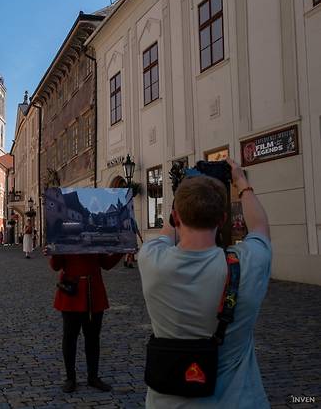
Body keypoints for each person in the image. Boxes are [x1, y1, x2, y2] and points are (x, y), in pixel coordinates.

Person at [138, 158, 271, 408]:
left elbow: (168, 233)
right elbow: (260, 227)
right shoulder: (247, 264)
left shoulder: (151, 259)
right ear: (222, 219)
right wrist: (241, 181)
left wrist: (186, 190)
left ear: (176, 217)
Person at [46, 249, 123, 393]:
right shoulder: (65, 237)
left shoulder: (95, 237)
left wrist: (121, 251)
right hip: (71, 293)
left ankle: (93, 376)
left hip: (93, 292)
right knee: (70, 338)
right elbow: (56, 266)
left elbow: (106, 263)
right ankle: (70, 378)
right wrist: (54, 252)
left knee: (93, 338)